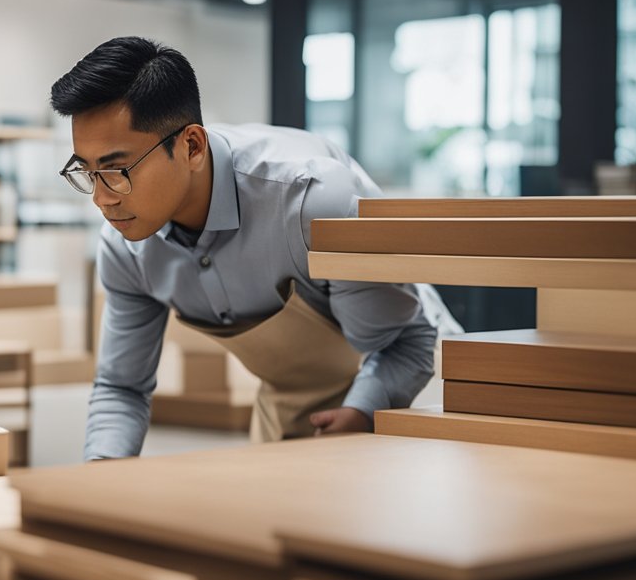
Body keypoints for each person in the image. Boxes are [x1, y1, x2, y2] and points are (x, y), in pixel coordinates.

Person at [51, 36, 438, 461]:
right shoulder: (127, 249)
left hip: (408, 386)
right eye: (86, 172)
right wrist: (102, 477)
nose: (101, 199)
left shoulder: (311, 203)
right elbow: (121, 386)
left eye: (116, 170)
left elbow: (407, 342)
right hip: (291, 402)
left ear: (191, 147)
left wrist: (363, 411)